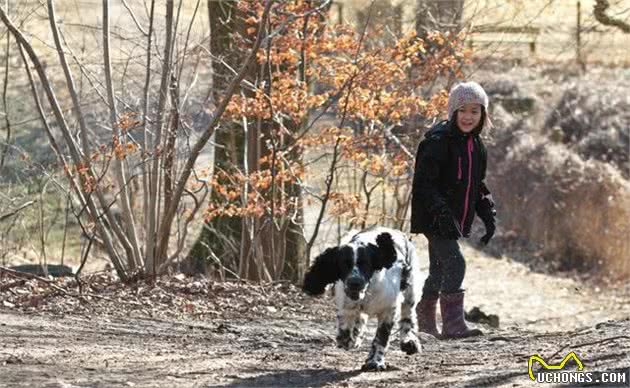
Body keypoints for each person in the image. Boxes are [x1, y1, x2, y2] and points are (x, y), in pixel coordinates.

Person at [410, 81, 496, 339]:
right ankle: (453, 325)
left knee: (439, 267)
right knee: (455, 263)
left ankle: (423, 320)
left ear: (483, 115)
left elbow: (476, 184)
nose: (468, 116)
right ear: (452, 112)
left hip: (453, 218)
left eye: (475, 111)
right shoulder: (438, 142)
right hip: (433, 215)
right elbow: (423, 184)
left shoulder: (477, 146)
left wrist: (487, 214)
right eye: (463, 110)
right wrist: (441, 213)